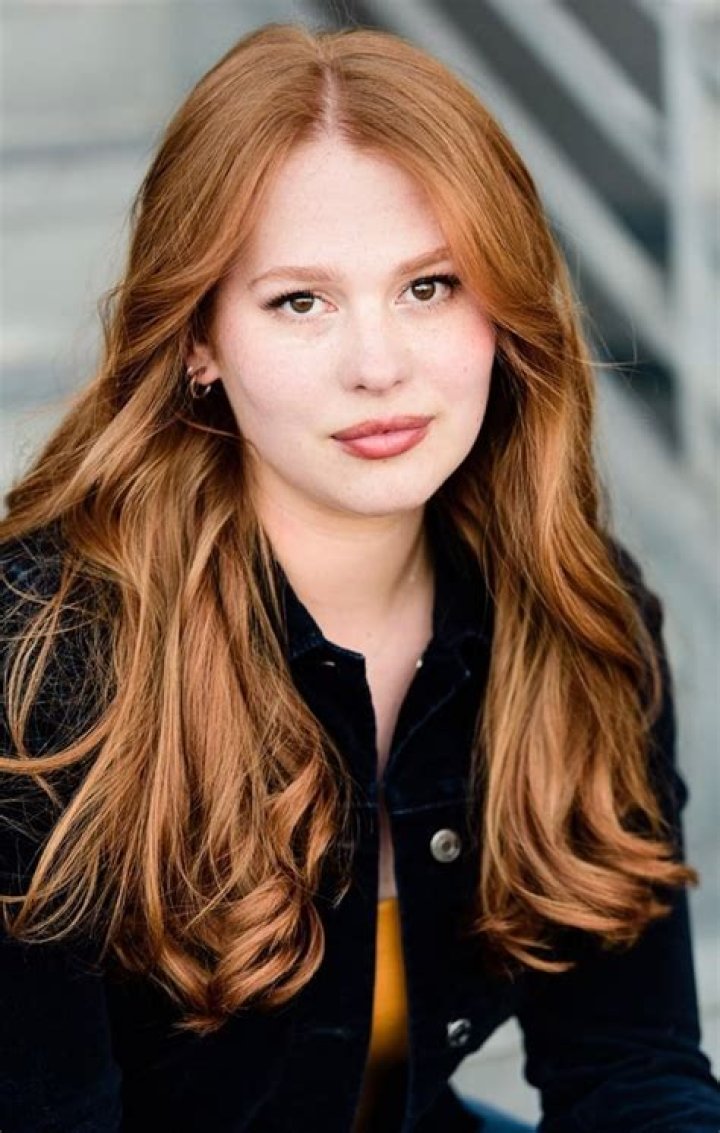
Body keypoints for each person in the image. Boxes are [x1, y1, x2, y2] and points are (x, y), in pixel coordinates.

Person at [0, 21, 718, 1133]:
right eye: (302, 301)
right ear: (198, 338)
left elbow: (630, 1066)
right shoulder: (43, 658)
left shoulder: (575, 613)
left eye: (430, 285)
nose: (379, 365)